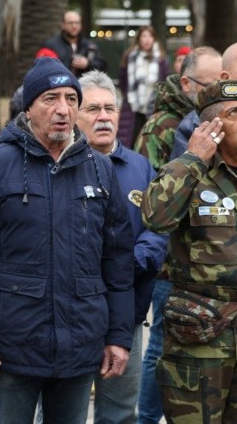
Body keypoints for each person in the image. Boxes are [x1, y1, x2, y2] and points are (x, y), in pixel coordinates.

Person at [0, 57, 135, 423]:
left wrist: (119, 335)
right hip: (13, 346)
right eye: (51, 99)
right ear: (29, 108)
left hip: (81, 344)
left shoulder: (100, 169)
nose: (63, 109)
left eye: (71, 99)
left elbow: (117, 259)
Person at [142, 80, 237, 424]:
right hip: (198, 341)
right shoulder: (191, 176)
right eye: (233, 112)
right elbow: (155, 217)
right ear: (211, 126)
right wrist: (192, 157)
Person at [132, 45, 221, 424]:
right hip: (171, 263)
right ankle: (147, 418)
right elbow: (149, 197)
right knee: (162, 348)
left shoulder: (214, 119)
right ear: (186, 84)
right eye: (210, 83)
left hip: (207, 261)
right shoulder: (161, 128)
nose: (218, 91)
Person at [76, 70, 168, 424]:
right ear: (74, 114)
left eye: (110, 109)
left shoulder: (140, 167)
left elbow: (157, 229)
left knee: (120, 414)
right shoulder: (61, 166)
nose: (103, 117)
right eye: (93, 109)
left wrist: (126, 266)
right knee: (59, 412)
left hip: (126, 312)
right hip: (72, 314)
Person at [135, 46, 221, 171]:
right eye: (211, 86)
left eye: (223, 85)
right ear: (186, 84)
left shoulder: (224, 116)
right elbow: (150, 181)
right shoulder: (158, 129)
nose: (219, 93)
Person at [118, 26, 169, 148]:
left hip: (153, 106)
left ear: (154, 39)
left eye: (150, 36)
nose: (147, 39)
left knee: (150, 142)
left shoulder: (161, 59)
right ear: (139, 38)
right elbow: (123, 80)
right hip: (132, 107)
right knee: (130, 141)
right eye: (144, 36)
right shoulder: (129, 57)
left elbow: (165, 82)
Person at [40, 10, 106, 77]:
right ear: (63, 25)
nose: (74, 26)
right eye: (70, 23)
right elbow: (41, 68)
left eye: (77, 23)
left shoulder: (90, 45)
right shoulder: (50, 45)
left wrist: (88, 64)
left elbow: (102, 66)